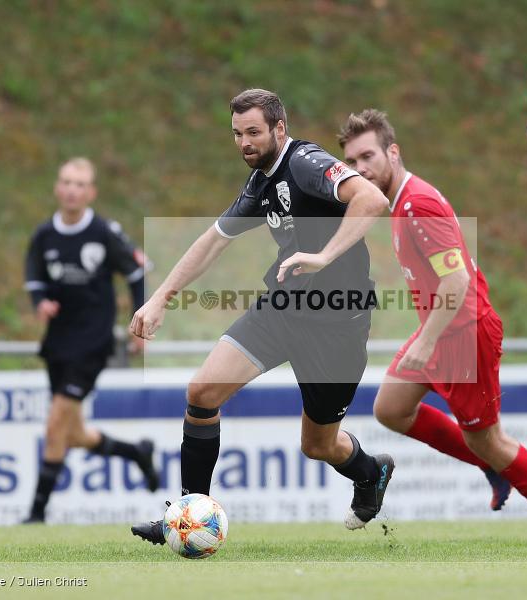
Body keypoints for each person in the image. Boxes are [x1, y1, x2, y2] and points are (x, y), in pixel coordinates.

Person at [129, 89, 395, 544]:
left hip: (336, 324)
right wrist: (160, 298)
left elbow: (372, 199)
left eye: (253, 132)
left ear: (279, 129)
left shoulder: (306, 163)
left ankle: (371, 472)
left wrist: (323, 255)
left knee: (318, 445)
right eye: (237, 134)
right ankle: (188, 515)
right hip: (283, 309)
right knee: (203, 392)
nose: (244, 142)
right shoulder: (261, 183)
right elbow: (212, 241)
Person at [340, 109, 527, 540]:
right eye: (352, 163)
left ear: (393, 152)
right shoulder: (401, 202)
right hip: (441, 330)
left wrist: (428, 339)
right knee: (391, 409)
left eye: (368, 156)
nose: (360, 169)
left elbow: (457, 280)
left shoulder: (418, 203)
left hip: (463, 334)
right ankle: (491, 465)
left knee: (488, 440)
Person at [22, 157, 159, 523]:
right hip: (58, 342)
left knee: (54, 426)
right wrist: (41, 303)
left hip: (93, 341)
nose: (72, 189)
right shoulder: (44, 235)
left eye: (80, 184)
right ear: (57, 188)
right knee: (72, 432)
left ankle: (35, 515)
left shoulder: (103, 232)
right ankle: (136, 453)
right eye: (66, 182)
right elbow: (34, 274)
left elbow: (137, 271)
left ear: (91, 192)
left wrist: (141, 322)